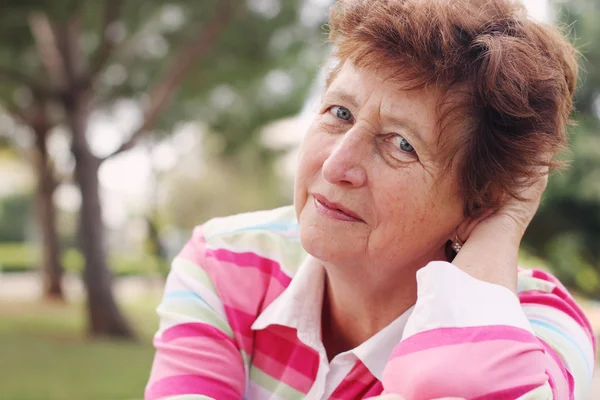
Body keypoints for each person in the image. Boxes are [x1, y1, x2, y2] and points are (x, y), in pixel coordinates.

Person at [145, 0, 596, 399]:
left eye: (401, 144)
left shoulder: (538, 334)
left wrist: (508, 217)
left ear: (479, 203)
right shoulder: (223, 264)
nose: (336, 166)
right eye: (339, 113)